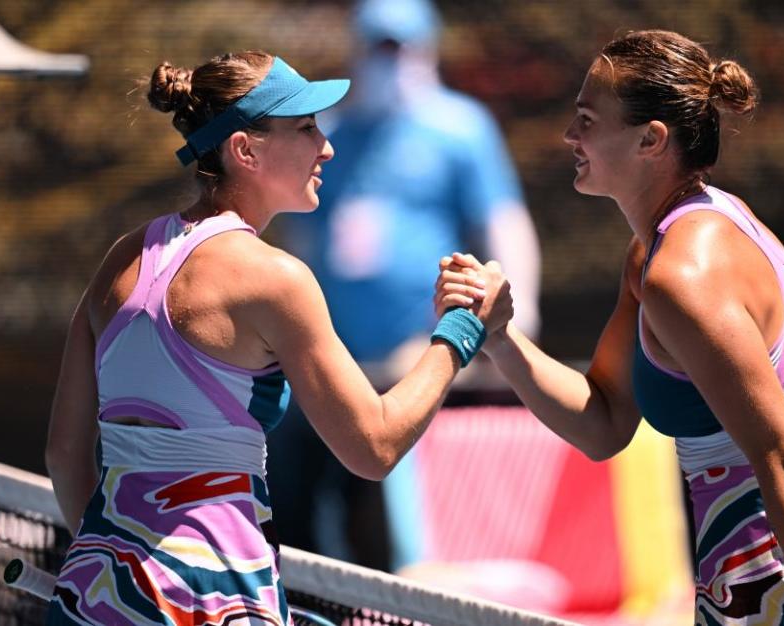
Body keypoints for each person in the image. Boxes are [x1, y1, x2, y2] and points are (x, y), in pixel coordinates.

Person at [437, 30, 784, 625]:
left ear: (650, 139)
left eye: (587, 120)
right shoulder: (660, 253)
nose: (569, 136)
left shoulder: (682, 277)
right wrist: (500, 335)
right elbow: (604, 421)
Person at [43, 50, 511, 625]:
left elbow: (65, 457)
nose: (327, 146)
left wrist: (111, 570)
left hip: (91, 597)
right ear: (246, 150)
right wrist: (464, 327)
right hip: (209, 602)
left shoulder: (121, 257)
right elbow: (374, 446)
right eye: (306, 128)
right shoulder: (276, 279)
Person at [268, 0, 540, 570]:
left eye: (403, 46)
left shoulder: (460, 128)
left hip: (421, 359)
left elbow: (502, 223)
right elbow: (298, 238)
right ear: (358, 50)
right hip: (330, 360)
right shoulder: (330, 133)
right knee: (298, 495)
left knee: (400, 518)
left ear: (428, 48)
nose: (391, 60)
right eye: (379, 46)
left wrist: (520, 312)